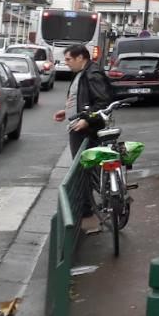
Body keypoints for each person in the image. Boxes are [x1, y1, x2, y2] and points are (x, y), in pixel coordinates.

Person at [53, 44, 116, 232]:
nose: (66, 63)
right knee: (84, 168)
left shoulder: (92, 74)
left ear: (81, 57)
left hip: (85, 130)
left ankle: (86, 210)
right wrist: (68, 112)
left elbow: (102, 102)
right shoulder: (84, 72)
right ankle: (87, 207)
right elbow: (84, 99)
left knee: (83, 169)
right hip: (79, 125)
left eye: (69, 59)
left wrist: (87, 121)